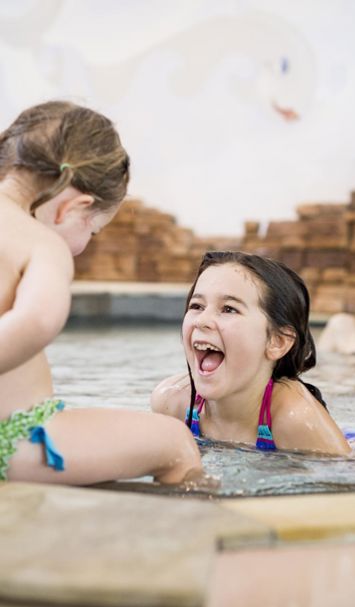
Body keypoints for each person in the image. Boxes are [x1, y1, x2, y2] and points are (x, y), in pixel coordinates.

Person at [0, 100, 203, 485]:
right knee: (175, 442)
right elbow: (36, 319)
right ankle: (192, 536)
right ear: (74, 207)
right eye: (91, 232)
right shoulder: (40, 244)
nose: (84, 246)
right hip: (12, 442)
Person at [151, 251, 350, 455]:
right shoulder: (171, 402)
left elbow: (349, 478)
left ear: (277, 342)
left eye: (228, 309)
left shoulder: (296, 419)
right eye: (197, 306)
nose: (202, 320)